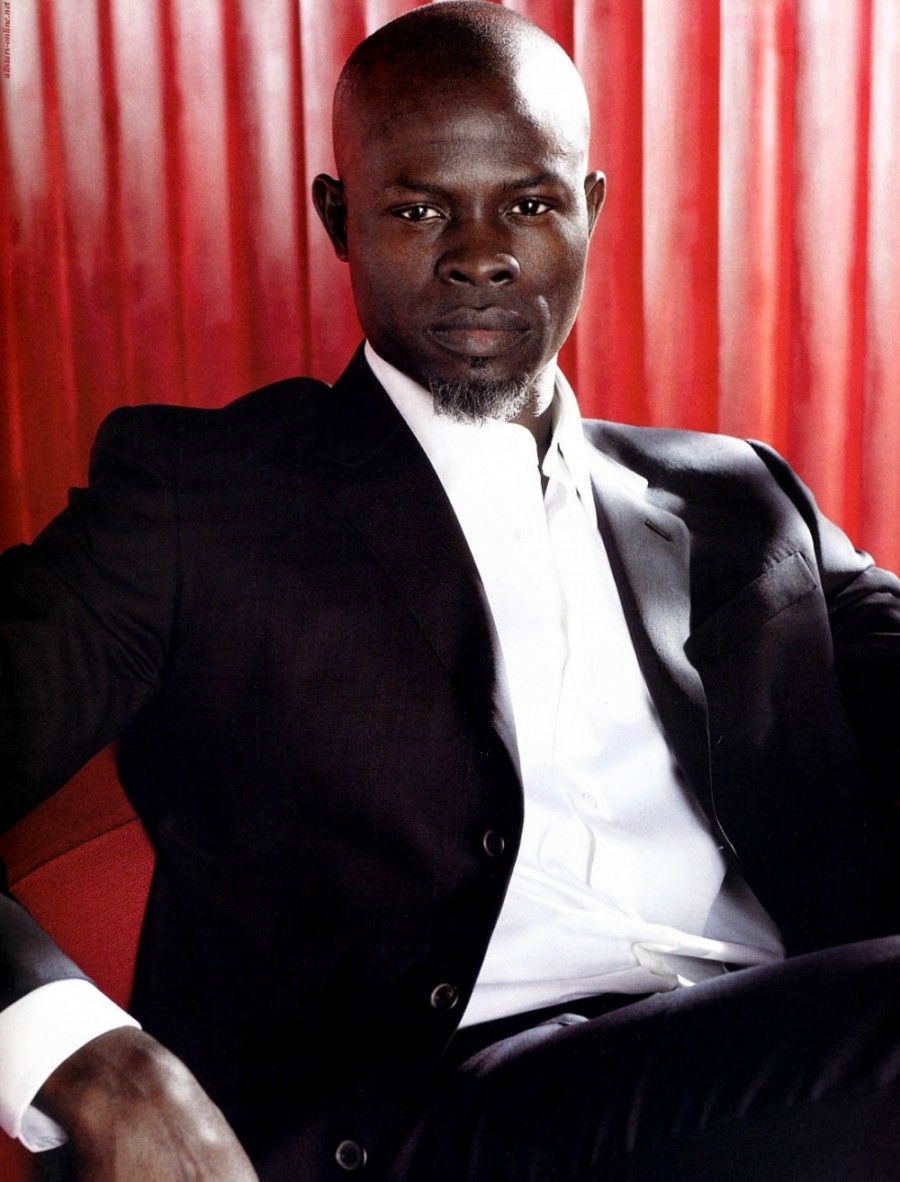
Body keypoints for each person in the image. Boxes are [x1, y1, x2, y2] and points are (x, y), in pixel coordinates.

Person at [1, 3, 899, 1180]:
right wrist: (85, 1056)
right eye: (421, 209)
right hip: (431, 1119)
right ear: (339, 218)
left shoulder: (741, 499)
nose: (481, 255)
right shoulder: (199, 500)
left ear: (590, 209)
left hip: (787, 1065)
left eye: (528, 203)